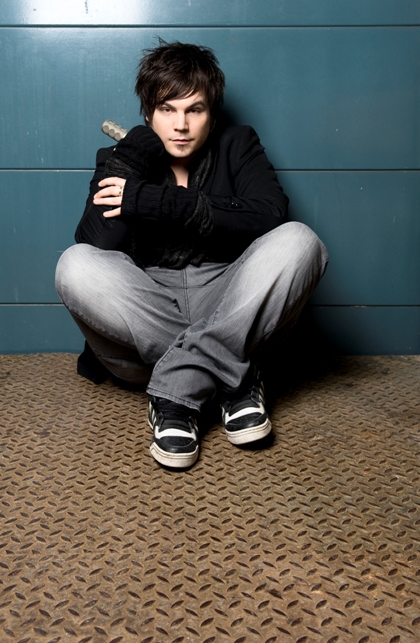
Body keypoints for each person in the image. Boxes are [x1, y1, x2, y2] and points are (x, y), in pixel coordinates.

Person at [55, 41, 328, 469]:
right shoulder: (121, 158)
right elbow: (96, 240)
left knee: (300, 240)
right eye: (167, 109)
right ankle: (233, 380)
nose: (180, 125)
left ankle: (176, 395)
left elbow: (268, 214)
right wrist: (133, 158)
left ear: (212, 115)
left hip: (228, 305)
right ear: (148, 114)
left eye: (194, 110)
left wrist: (155, 201)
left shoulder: (237, 144)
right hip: (146, 318)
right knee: (75, 264)